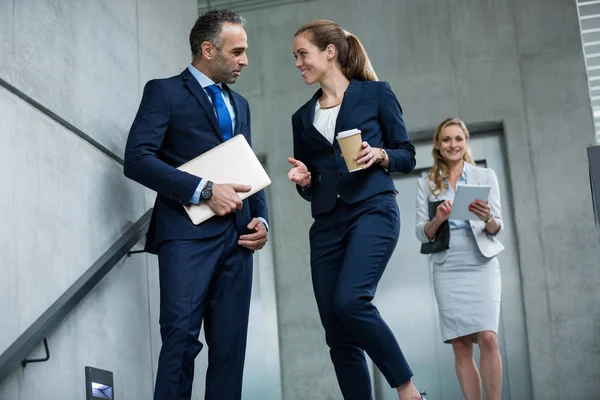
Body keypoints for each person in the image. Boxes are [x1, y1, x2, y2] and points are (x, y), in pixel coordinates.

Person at [123, 9, 269, 400]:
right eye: (237, 51)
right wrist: (204, 189)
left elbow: (247, 164)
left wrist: (262, 221)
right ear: (208, 49)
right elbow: (137, 159)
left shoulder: (242, 104)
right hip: (185, 237)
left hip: (238, 241)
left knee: (230, 351)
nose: (245, 60)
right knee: (180, 342)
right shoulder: (164, 92)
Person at [287, 19, 425, 400]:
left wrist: (380, 154)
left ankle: (408, 389)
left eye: (303, 54)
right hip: (327, 224)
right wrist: (305, 180)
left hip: (373, 210)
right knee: (336, 329)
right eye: (295, 57)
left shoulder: (376, 94)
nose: (298, 63)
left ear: (329, 52)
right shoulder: (302, 118)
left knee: (351, 300)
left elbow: (407, 155)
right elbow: (313, 179)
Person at [415, 118, 504, 400]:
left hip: (481, 262)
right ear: (438, 145)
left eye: (458, 139)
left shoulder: (485, 176)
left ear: (465, 142)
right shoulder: (426, 183)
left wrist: (487, 216)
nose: (453, 144)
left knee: (488, 338)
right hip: (447, 266)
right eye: (446, 139)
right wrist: (439, 218)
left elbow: (497, 226)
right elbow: (422, 233)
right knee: (461, 344)